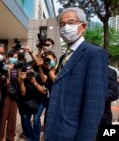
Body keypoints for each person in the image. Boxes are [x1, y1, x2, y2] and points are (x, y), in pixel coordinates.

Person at [45, 7, 108, 141]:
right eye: (62, 24)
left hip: (72, 134)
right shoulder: (63, 57)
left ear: (83, 26)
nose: (66, 27)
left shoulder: (94, 54)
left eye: (71, 22)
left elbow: (93, 106)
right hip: (54, 130)